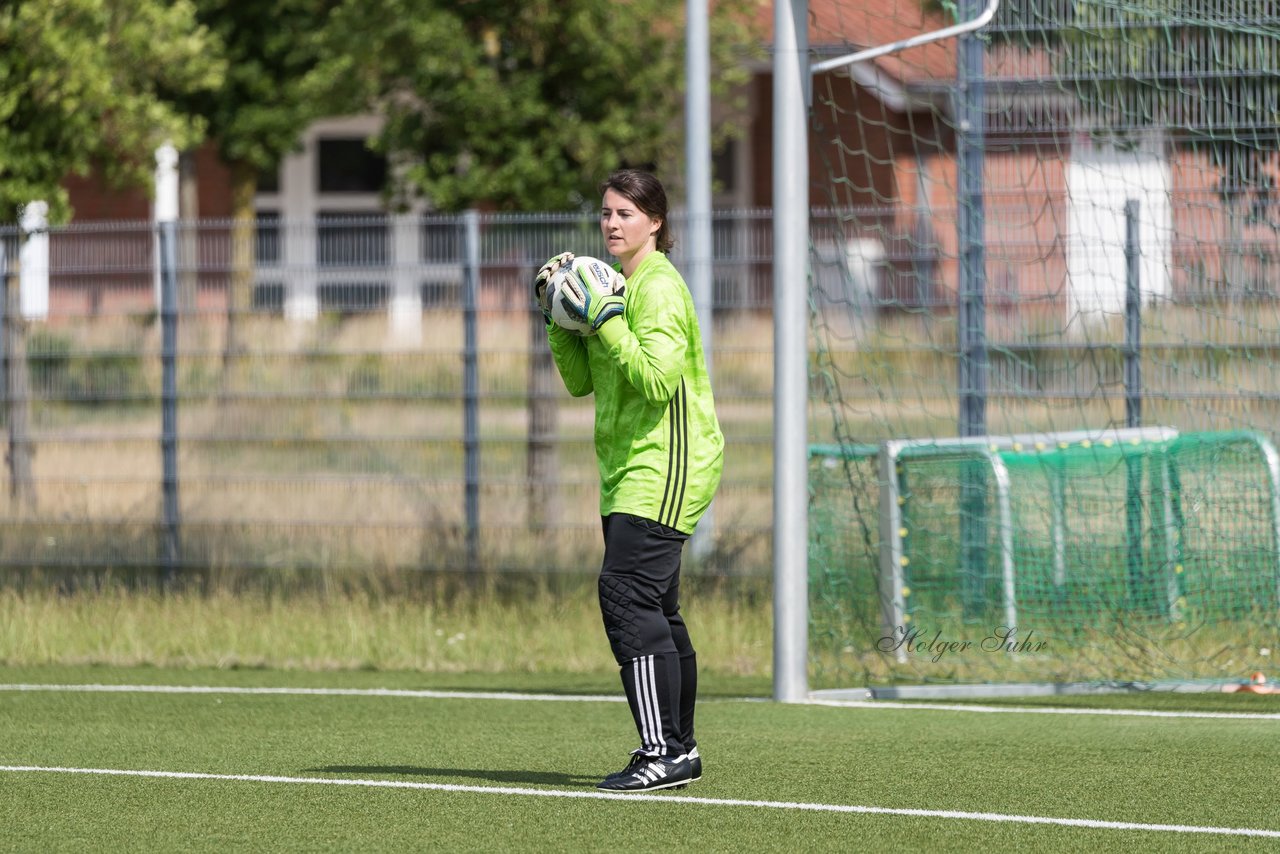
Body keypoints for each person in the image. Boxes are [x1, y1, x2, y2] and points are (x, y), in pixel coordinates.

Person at [533, 169, 724, 793]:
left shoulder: (659, 289)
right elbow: (582, 382)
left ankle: (660, 750)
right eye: (607, 213)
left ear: (656, 223)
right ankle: (680, 752)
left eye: (626, 214)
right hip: (625, 471)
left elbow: (655, 381)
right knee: (657, 610)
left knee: (625, 597)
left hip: (665, 468)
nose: (612, 224)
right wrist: (561, 320)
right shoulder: (617, 284)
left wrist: (608, 318)